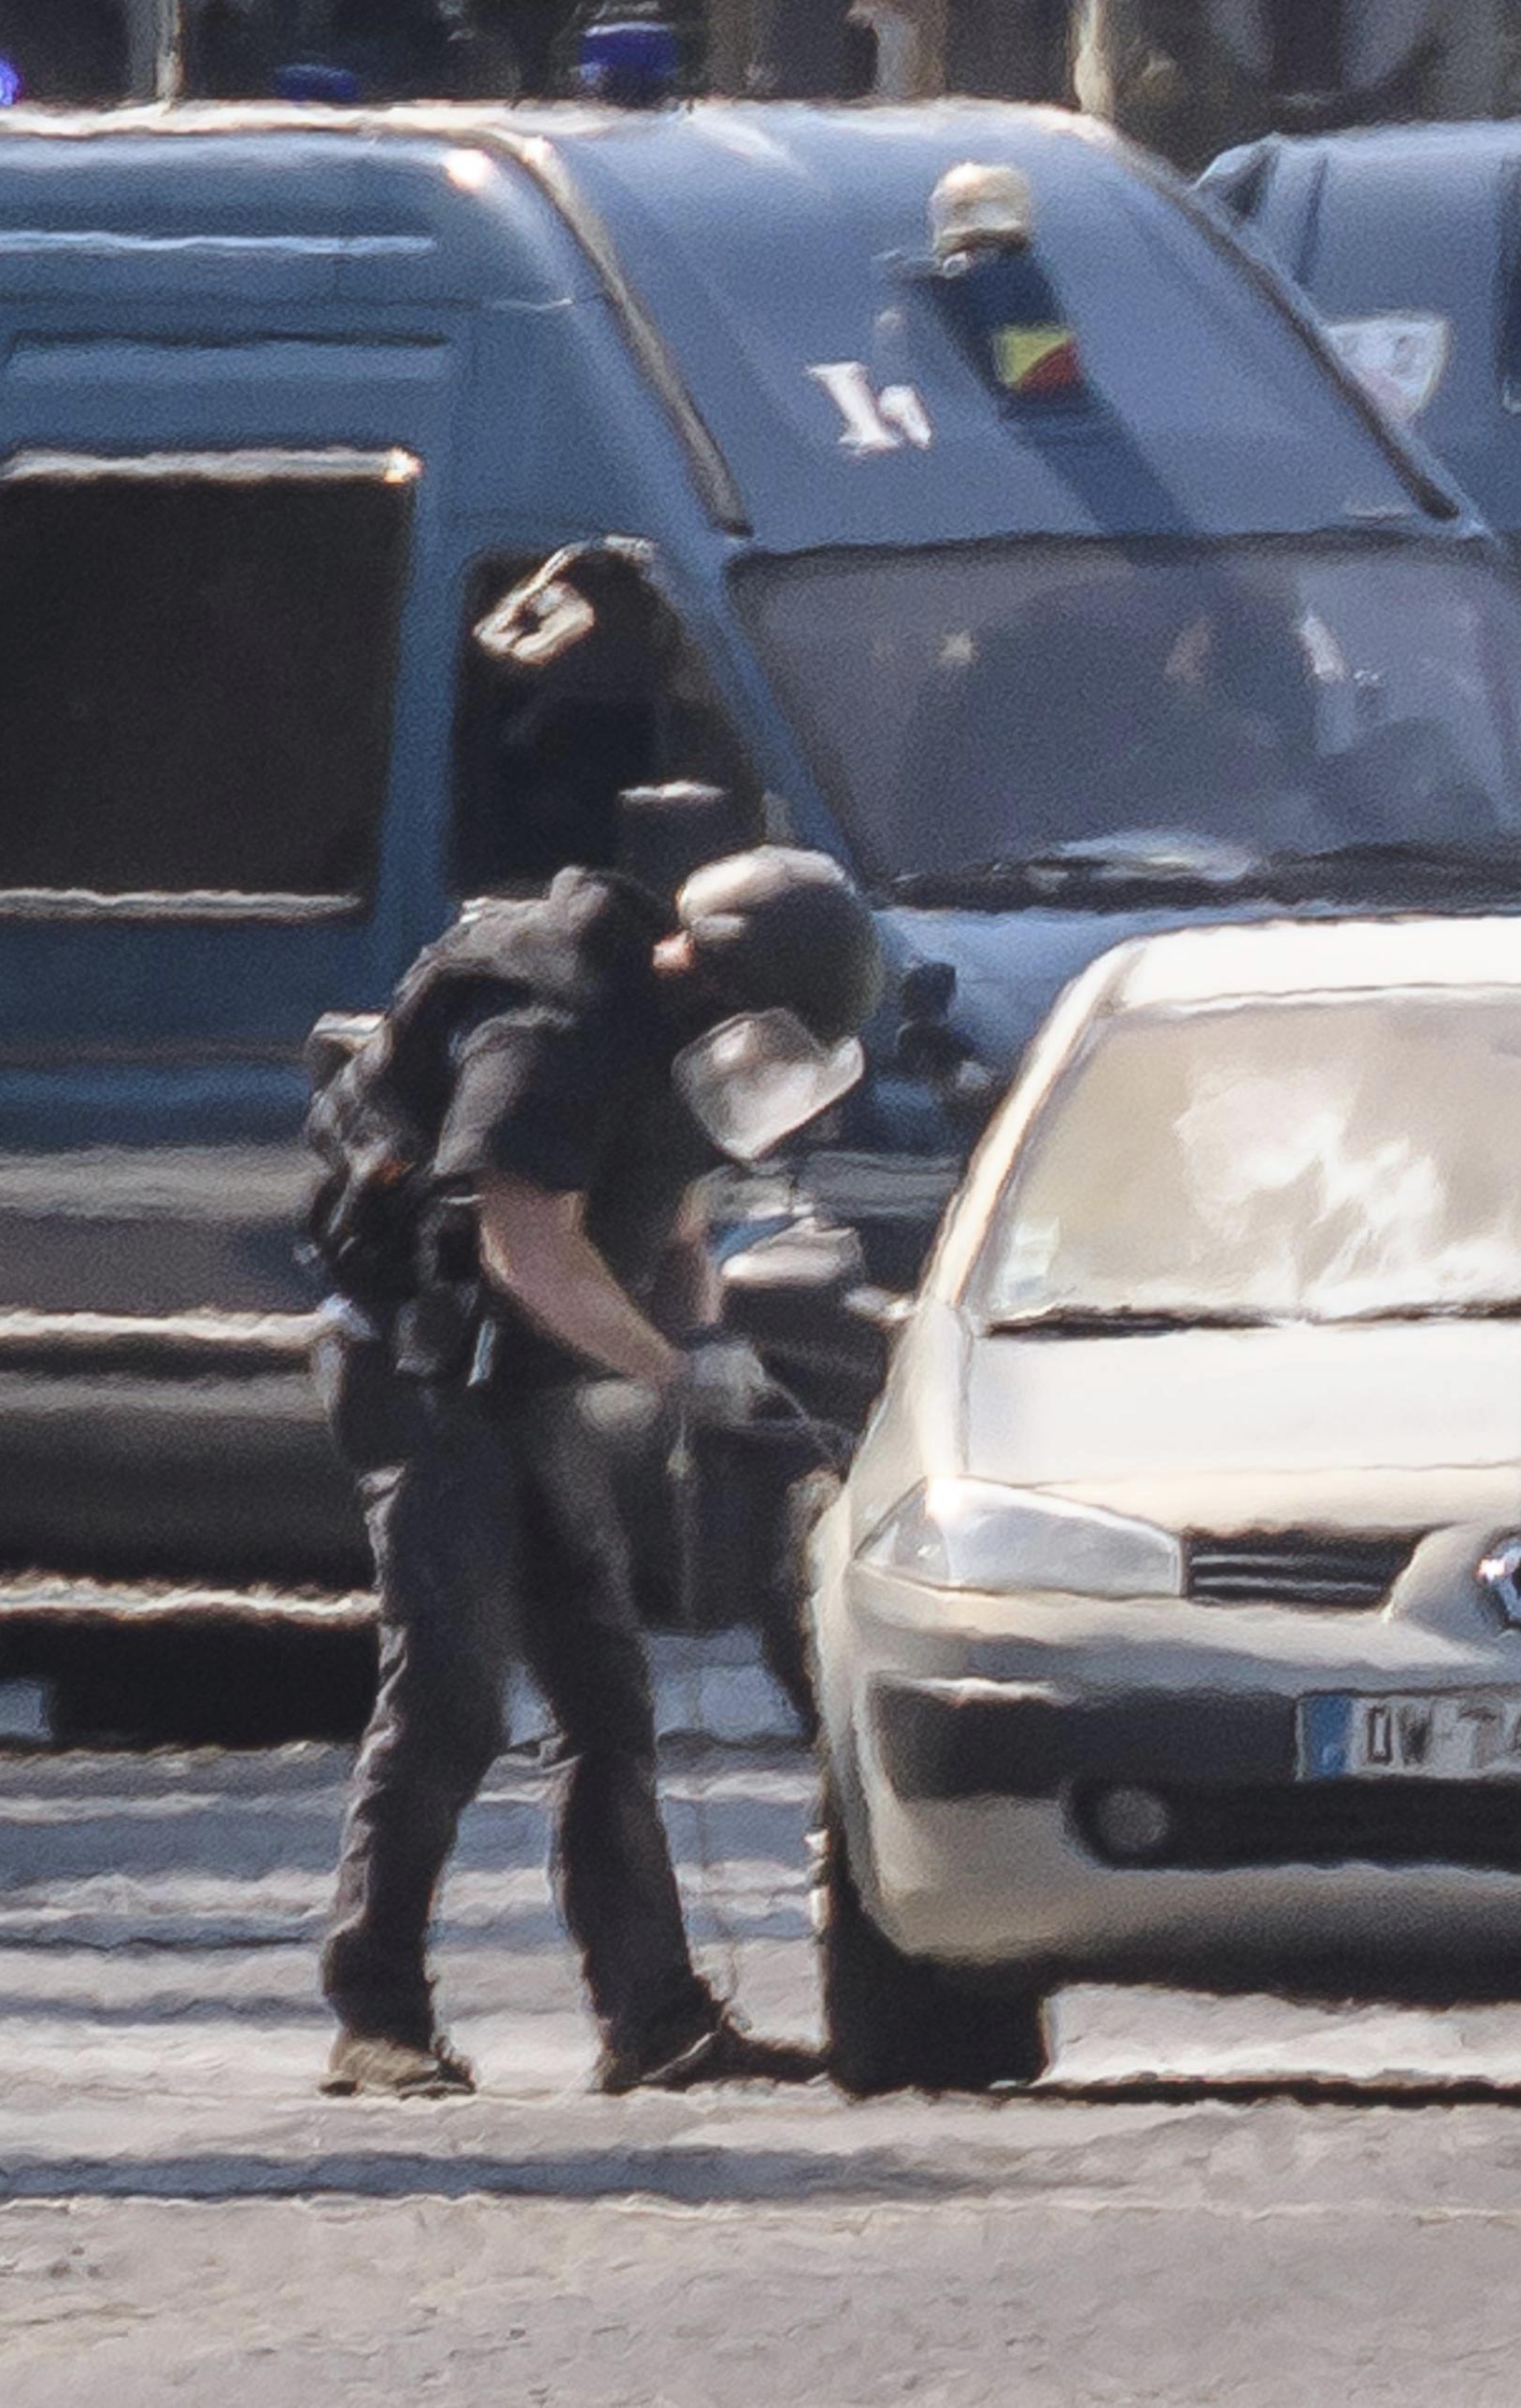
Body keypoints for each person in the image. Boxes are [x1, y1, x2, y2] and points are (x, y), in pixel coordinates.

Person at [316, 843, 886, 2099]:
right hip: (423, 1373)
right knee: (451, 1691)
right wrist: (672, 1375)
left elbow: (674, 1230)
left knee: (604, 1695)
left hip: (534, 1374)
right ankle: (377, 2012)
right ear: (732, 986)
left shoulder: (684, 1047)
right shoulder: (555, 1027)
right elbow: (530, 1250)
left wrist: (706, 1332)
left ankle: (656, 2020)